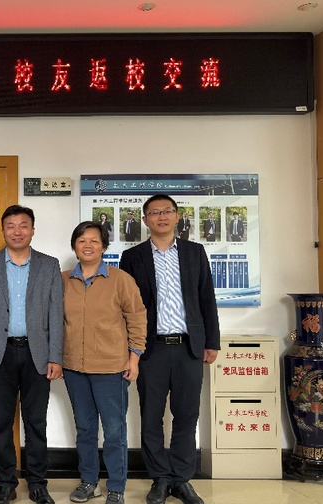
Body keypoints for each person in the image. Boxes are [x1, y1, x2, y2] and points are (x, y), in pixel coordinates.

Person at [119, 195, 220, 504]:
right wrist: (130, 349)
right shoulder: (132, 256)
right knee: (151, 416)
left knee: (186, 415)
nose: (161, 217)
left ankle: (182, 479)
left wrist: (212, 341)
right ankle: (160, 478)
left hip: (189, 346)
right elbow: (125, 307)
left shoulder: (194, 252)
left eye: (167, 211)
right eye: (154, 212)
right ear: (145, 220)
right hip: (151, 349)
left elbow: (206, 297)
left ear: (177, 217)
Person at [0, 205, 63, 504]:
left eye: (23, 225)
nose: (17, 231)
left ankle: (37, 483)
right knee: (0, 423)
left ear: (32, 230)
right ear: (3, 230)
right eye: (11, 226)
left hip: (37, 354)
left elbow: (56, 313)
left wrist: (56, 356)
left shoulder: (49, 265)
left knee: (36, 422)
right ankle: (5, 484)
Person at [61, 221, 147, 504]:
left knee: (114, 432)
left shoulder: (120, 279)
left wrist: (134, 357)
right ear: (74, 246)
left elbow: (137, 318)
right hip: (74, 368)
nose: (87, 245)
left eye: (94, 241)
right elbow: (54, 321)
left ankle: (116, 487)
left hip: (111, 368)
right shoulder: (63, 280)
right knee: (84, 429)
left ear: (104, 247)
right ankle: (89, 482)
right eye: (82, 240)